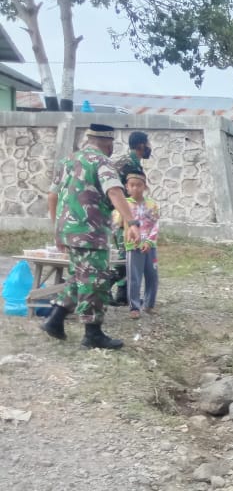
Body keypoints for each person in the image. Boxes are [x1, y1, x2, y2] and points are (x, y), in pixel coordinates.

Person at [40, 123, 141, 349]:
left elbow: (52, 196)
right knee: (95, 280)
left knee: (80, 276)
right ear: (107, 142)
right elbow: (114, 191)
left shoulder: (68, 161)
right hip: (90, 231)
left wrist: (57, 228)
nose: (112, 148)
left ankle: (54, 320)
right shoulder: (101, 161)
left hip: (68, 230)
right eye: (112, 144)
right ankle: (92, 334)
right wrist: (132, 222)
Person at [108, 131, 153, 306]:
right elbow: (127, 197)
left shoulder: (126, 162)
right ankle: (105, 287)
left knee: (127, 254)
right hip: (122, 218)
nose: (149, 147)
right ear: (141, 145)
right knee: (127, 257)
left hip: (120, 216)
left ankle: (122, 294)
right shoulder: (130, 167)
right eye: (147, 143)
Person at [122, 173, 160, 320]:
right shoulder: (124, 204)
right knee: (134, 278)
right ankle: (134, 307)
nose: (135, 188)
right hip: (133, 246)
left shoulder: (152, 205)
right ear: (127, 187)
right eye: (132, 185)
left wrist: (150, 242)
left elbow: (156, 224)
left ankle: (149, 304)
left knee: (152, 276)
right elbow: (115, 222)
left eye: (139, 185)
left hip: (151, 247)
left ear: (145, 187)